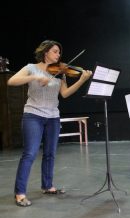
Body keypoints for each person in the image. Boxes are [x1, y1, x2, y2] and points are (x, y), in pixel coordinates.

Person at [7, 40, 92, 207]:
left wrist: (82, 79)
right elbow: (12, 81)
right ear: (46, 52)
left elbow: (65, 94)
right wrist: (35, 76)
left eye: (59, 52)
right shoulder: (31, 67)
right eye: (55, 51)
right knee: (30, 153)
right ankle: (20, 193)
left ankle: (47, 186)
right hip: (33, 115)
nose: (58, 55)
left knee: (50, 154)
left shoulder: (60, 73)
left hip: (53, 117)